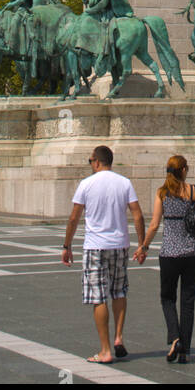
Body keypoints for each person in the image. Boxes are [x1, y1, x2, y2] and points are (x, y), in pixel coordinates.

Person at [61, 144, 145, 364]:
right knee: (119, 291)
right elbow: (137, 214)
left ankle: (106, 350)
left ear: (96, 162)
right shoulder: (124, 183)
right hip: (120, 245)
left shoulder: (86, 184)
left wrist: (66, 246)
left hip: (95, 246)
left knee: (98, 297)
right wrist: (142, 244)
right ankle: (118, 337)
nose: (90, 164)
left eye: (90, 161)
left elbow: (73, 218)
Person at [134, 155, 195, 365]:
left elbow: (154, 224)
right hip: (192, 254)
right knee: (188, 302)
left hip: (169, 255)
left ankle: (175, 338)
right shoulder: (194, 191)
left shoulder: (162, 193)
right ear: (183, 170)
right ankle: (184, 350)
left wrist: (144, 246)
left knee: (167, 299)